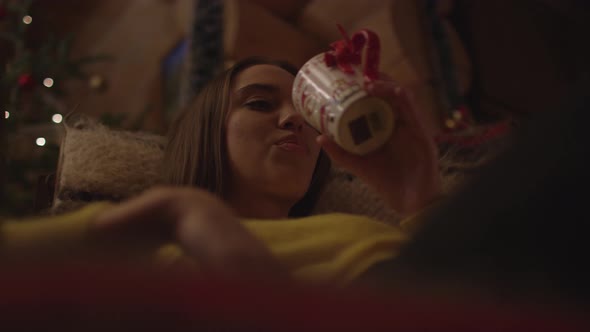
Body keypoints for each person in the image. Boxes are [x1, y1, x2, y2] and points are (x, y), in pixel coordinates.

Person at [0, 57, 442, 284]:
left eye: (305, 116)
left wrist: (419, 198)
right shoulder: (155, 257)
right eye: (259, 104)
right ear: (207, 134)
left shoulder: (366, 230)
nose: (293, 121)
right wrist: (177, 210)